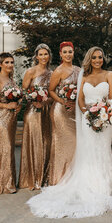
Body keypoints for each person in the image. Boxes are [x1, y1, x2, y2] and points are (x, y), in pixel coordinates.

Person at [27, 47, 112, 218]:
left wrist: (106, 114)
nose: (97, 60)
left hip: (106, 119)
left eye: (100, 57)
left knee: (103, 149)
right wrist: (88, 114)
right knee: (88, 150)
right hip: (87, 119)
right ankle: (90, 184)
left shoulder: (109, 75)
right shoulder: (83, 76)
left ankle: (105, 185)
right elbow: (81, 100)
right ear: (89, 59)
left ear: (103, 59)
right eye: (94, 58)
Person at [19, 44, 53, 190]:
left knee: (46, 142)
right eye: (41, 54)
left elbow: (53, 94)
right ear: (36, 56)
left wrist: (46, 101)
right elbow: (23, 91)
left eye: (46, 54)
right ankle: (31, 178)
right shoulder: (30, 71)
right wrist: (34, 100)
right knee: (34, 141)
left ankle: (44, 177)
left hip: (46, 111)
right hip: (32, 111)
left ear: (49, 56)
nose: (44, 57)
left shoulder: (52, 74)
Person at [46, 41, 80, 185]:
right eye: (64, 52)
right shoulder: (58, 71)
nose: (67, 54)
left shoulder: (79, 70)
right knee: (62, 143)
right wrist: (62, 101)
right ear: (60, 54)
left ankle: (73, 177)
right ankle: (59, 178)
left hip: (74, 111)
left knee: (75, 143)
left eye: (70, 52)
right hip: (60, 111)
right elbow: (51, 90)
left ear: (73, 53)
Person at [0, 52, 21, 194]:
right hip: (2, 117)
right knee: (5, 147)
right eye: (6, 62)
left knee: (10, 148)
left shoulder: (11, 79)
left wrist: (18, 103)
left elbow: (16, 97)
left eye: (12, 62)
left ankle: (9, 181)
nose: (10, 65)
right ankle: (3, 184)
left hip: (12, 117)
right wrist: (7, 106)